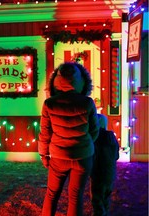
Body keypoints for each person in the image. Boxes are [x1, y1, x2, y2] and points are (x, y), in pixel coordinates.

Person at [38, 62, 100, 216]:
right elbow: (94, 131)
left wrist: (44, 155)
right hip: (83, 157)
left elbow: (45, 133)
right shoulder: (87, 103)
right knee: (75, 197)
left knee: (52, 194)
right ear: (81, 81)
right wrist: (84, 145)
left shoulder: (49, 104)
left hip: (58, 156)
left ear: (56, 81)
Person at [90, 114, 119, 216]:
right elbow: (116, 156)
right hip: (110, 172)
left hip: (98, 173)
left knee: (97, 198)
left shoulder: (94, 138)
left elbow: (92, 156)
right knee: (106, 197)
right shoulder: (112, 138)